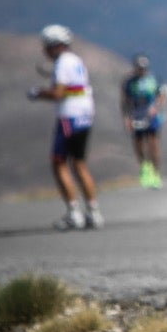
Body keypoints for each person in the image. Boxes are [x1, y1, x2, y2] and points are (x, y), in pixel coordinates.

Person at [28, 24, 102, 230]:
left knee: (58, 162)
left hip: (69, 116)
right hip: (85, 115)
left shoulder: (62, 62)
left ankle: (74, 213)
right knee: (79, 163)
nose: (44, 51)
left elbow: (58, 93)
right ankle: (94, 213)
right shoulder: (76, 60)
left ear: (54, 46)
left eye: (46, 47)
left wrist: (37, 93)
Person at [121, 54, 167, 189]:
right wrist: (127, 117)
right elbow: (125, 101)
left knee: (154, 144)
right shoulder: (129, 83)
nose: (142, 70)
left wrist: (156, 107)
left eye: (144, 68)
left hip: (152, 116)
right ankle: (145, 168)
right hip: (137, 115)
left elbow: (162, 94)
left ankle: (156, 173)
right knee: (139, 143)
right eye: (139, 68)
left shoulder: (153, 80)